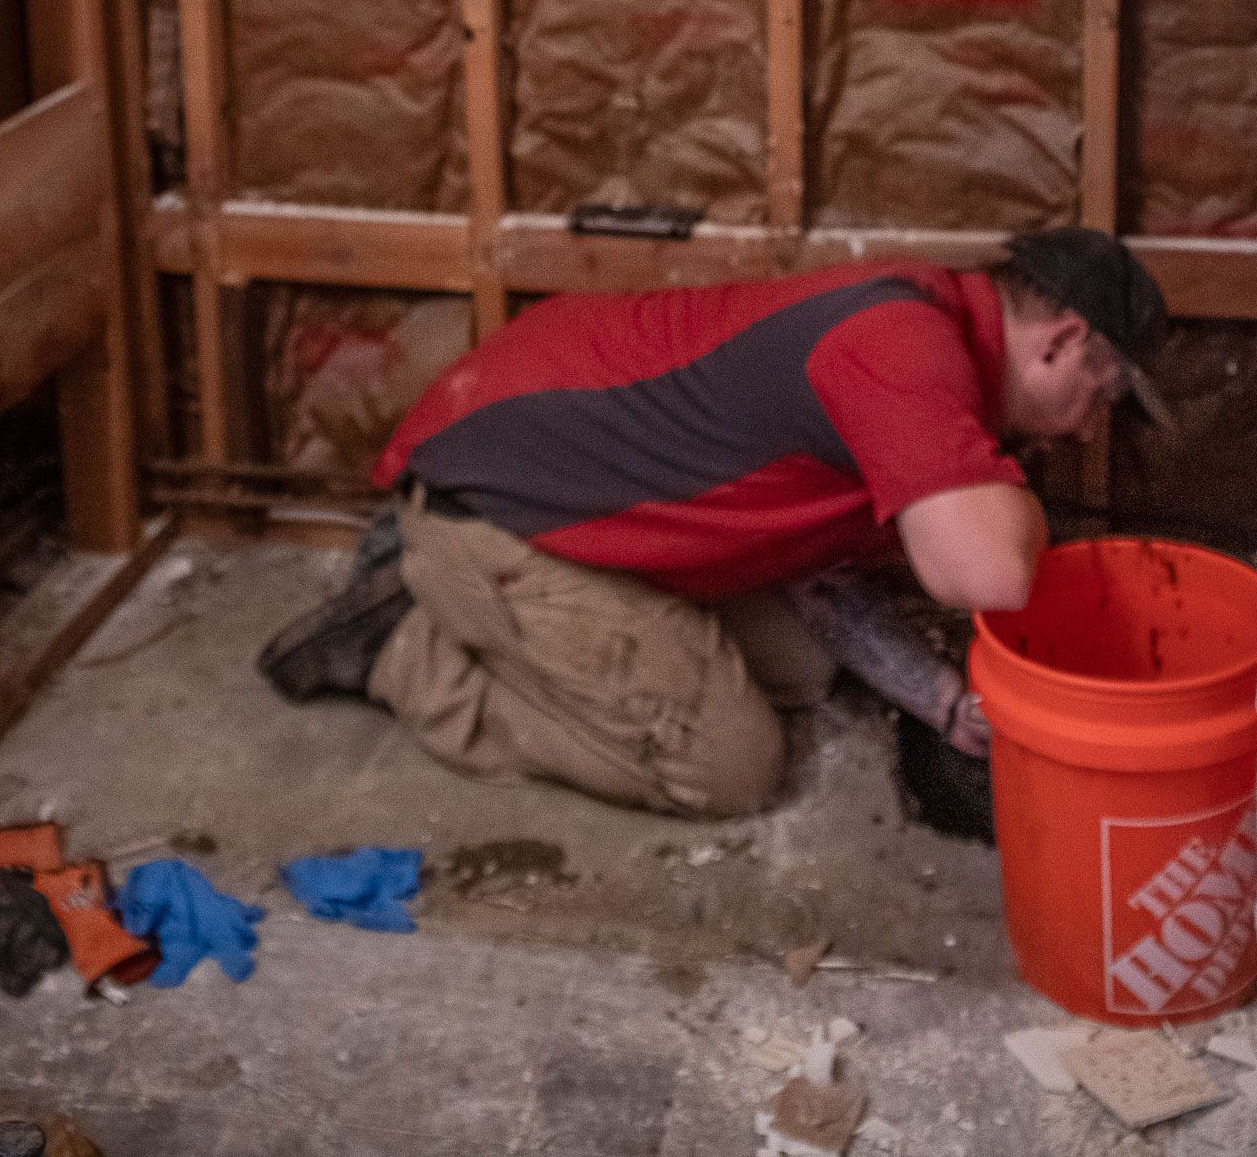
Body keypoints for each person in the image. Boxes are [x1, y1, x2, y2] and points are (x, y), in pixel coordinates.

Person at [258, 225, 1170, 818]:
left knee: (804, 666)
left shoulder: (924, 337)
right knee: (730, 768)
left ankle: (513, 624)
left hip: (568, 492)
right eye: (1103, 396)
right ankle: (407, 646)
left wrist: (941, 702)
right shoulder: (901, 344)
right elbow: (989, 575)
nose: (1091, 429)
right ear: (1062, 342)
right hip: (492, 510)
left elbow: (818, 576)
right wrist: (1014, 493)